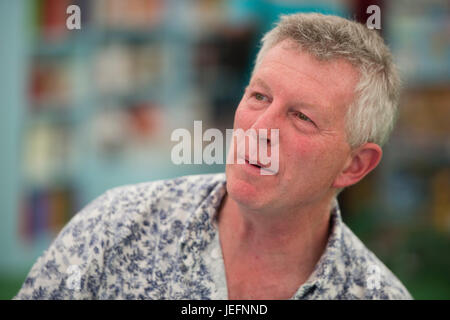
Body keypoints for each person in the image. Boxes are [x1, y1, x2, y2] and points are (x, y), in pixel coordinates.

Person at [14, 13, 413, 300]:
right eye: (259, 96)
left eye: (302, 117)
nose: (259, 129)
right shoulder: (114, 227)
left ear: (354, 164)